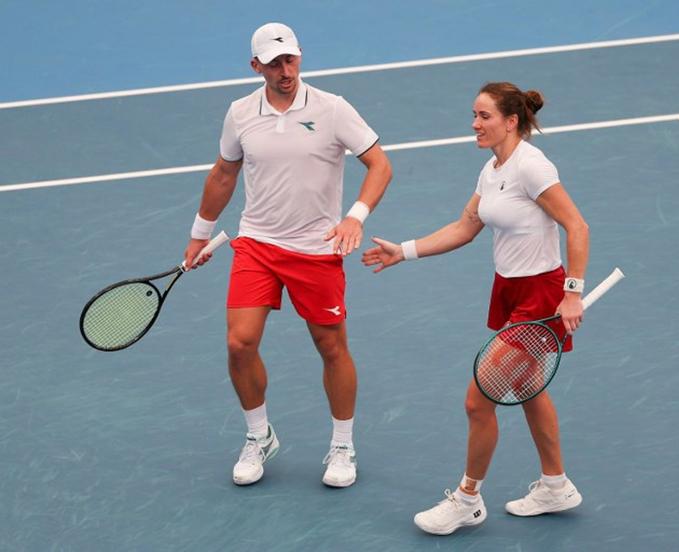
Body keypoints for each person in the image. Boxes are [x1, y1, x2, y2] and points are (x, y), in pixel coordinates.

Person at [362, 82, 588, 534]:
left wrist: (572, 292)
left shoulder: (532, 167)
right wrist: (403, 251)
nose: (474, 124)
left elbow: (577, 225)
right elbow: (465, 227)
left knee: (478, 399)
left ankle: (468, 499)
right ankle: (556, 485)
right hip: (510, 289)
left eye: (484, 116)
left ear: (511, 121)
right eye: (474, 115)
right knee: (528, 387)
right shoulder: (492, 169)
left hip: (540, 296)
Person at [184, 22, 392, 488]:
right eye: (274, 63)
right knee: (239, 343)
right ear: (255, 66)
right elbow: (224, 173)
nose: (285, 70)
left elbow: (380, 164)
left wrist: (355, 216)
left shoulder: (332, 109)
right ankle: (259, 436)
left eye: (290, 59)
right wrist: (199, 234)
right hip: (257, 244)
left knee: (331, 346)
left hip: (316, 249)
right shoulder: (240, 113)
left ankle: (343, 445)